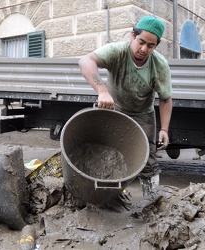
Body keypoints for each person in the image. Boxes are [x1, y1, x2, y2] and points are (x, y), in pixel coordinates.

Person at [78, 15, 173, 196]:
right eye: (141, 42)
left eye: (150, 46)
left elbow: (166, 98)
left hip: (142, 114)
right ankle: (105, 198)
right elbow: (85, 61)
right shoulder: (117, 52)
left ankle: (151, 201)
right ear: (132, 36)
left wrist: (165, 130)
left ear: (156, 46)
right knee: (106, 153)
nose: (143, 49)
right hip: (113, 110)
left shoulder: (159, 65)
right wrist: (102, 91)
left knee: (148, 161)